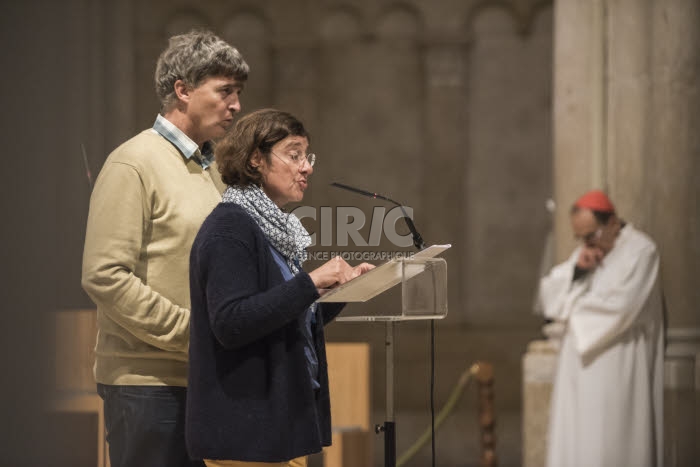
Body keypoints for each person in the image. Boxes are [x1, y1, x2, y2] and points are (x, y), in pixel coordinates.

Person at [81, 30, 249, 467]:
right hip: (148, 384)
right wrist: (192, 334)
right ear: (183, 90)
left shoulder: (216, 170)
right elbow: (104, 275)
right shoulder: (133, 163)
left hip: (210, 379)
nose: (236, 105)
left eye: (239, 93)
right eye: (225, 91)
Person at [186, 109, 374, 467]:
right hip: (244, 433)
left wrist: (338, 292)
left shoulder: (271, 230)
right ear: (256, 159)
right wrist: (311, 281)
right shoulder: (230, 227)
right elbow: (230, 322)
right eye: (294, 154)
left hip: (277, 428)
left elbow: (282, 314)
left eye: (308, 156)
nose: (307, 167)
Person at [538, 190, 664, 467]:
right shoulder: (590, 249)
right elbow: (551, 293)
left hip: (617, 362)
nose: (585, 243)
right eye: (580, 237)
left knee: (612, 440)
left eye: (590, 234)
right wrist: (578, 272)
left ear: (613, 224)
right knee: (579, 441)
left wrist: (572, 309)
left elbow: (621, 306)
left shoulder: (641, 251)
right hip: (576, 367)